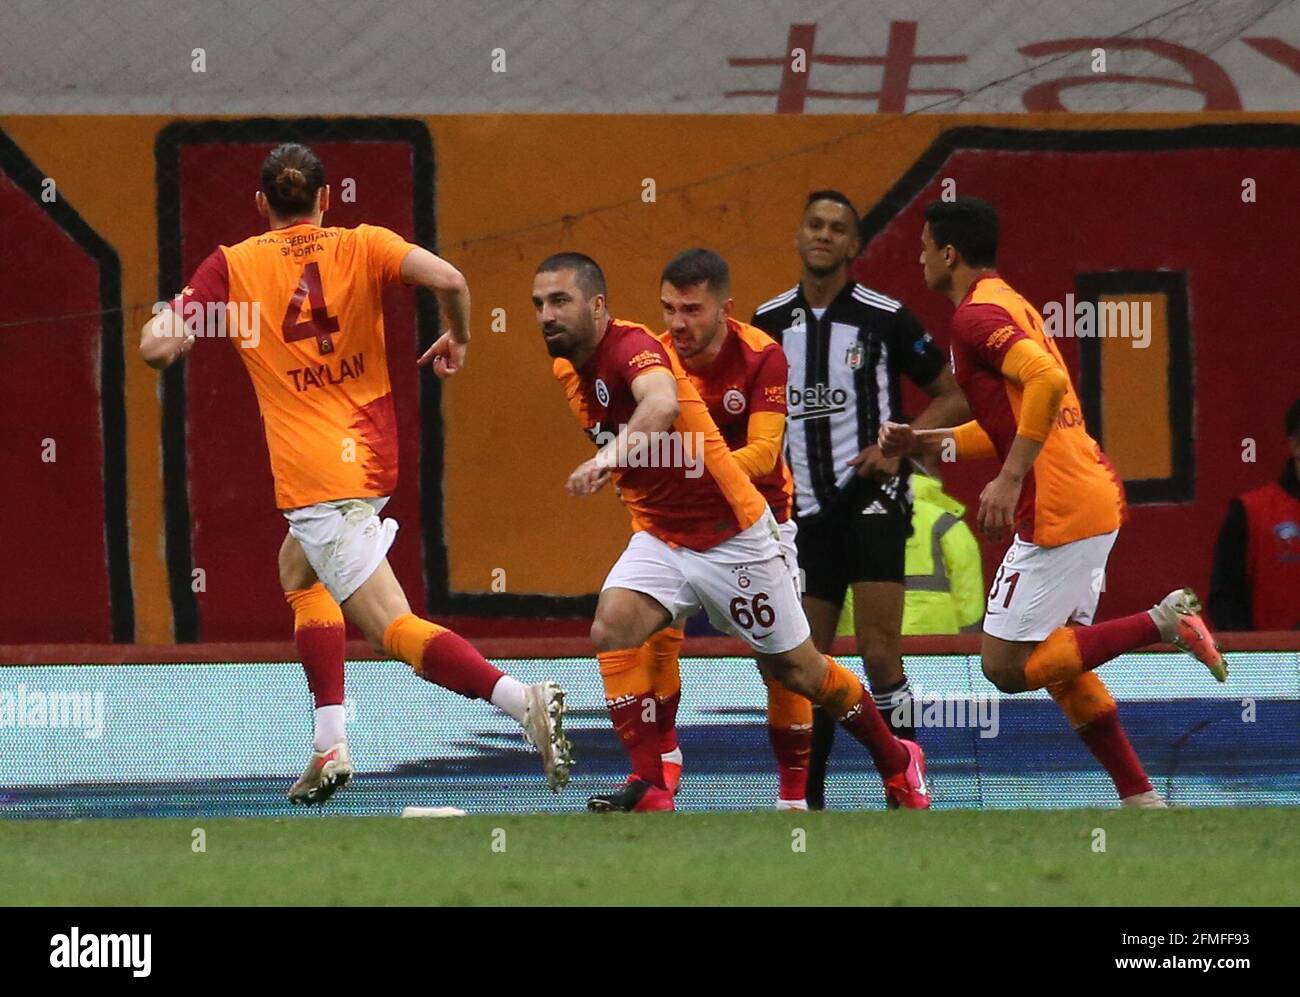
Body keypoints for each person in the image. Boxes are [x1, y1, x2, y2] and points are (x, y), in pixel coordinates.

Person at [139, 142, 573, 805]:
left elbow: (156, 348)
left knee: (392, 627)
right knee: (297, 571)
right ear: (327, 198)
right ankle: (329, 744)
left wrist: (176, 327)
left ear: (260, 205)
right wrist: (460, 336)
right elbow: (452, 280)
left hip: (319, 482)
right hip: (369, 456)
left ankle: (521, 700)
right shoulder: (364, 242)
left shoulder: (233, 263)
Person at [535, 251, 928, 813]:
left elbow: (678, 410)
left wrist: (621, 458)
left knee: (798, 670)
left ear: (598, 305)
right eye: (539, 305)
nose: (546, 315)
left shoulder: (655, 352)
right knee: (614, 625)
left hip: (739, 533)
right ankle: (651, 780)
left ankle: (895, 759)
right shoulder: (572, 367)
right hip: (664, 533)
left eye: (559, 301)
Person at [881, 196, 1225, 808]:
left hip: (1058, 508)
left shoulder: (974, 320)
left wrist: (1010, 479)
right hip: (1089, 495)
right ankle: (1140, 798)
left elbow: (1047, 383)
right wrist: (929, 440)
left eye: (925, 246)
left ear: (949, 253)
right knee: (1060, 662)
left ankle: (1162, 621)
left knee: (1005, 668)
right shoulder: (1008, 303)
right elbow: (1012, 420)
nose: (921, 256)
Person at [750, 189, 967, 809]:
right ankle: (808, 802)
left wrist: (901, 447)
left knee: (877, 651)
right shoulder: (765, 326)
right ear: (798, 235)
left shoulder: (885, 317)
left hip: (874, 499)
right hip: (804, 515)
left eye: (837, 228)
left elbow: (954, 395)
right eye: (813, 223)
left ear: (855, 246)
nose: (823, 234)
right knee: (806, 666)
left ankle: (905, 784)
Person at [641, 248, 813, 810]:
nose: (676, 323)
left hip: (756, 525)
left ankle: (793, 797)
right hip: (676, 524)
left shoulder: (762, 355)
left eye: (690, 309)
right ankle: (662, 769)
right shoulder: (654, 360)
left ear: (725, 308)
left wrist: (696, 466)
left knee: (785, 664)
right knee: (650, 634)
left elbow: (764, 454)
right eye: (668, 308)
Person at [837, 454, 984, 637]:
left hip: (863, 641)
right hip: (935, 642)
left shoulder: (849, 519)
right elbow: (969, 592)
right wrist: (967, 641)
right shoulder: (946, 523)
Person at [1209, 397, 1300, 630]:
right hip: (1276, 663)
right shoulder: (1250, 513)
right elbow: (1225, 601)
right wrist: (1257, 659)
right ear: (1295, 444)